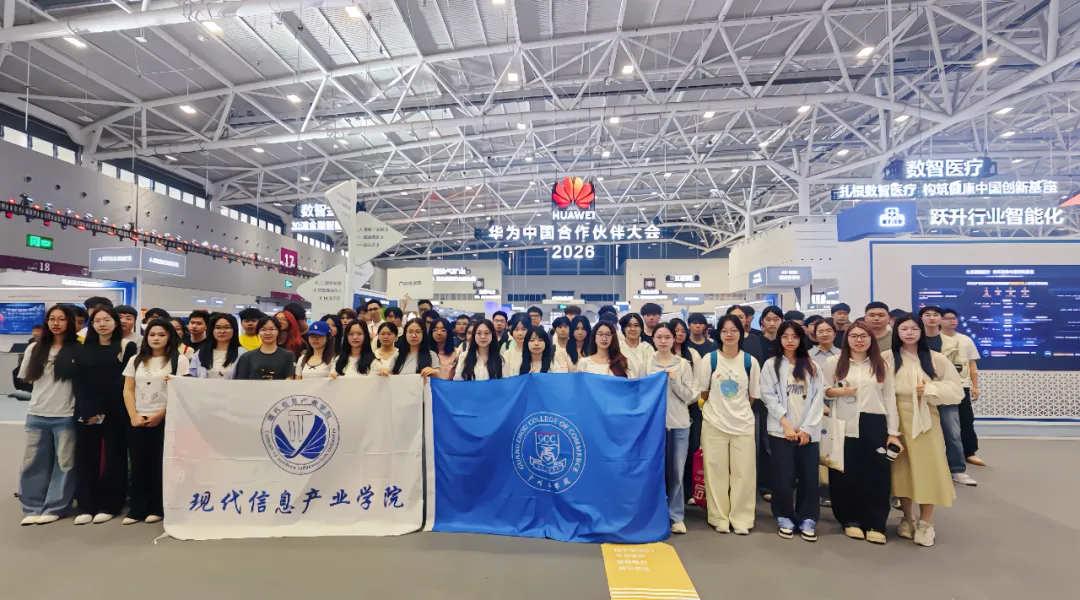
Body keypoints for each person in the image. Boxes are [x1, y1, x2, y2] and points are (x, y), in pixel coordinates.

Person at [885, 315, 964, 547]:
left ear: (921, 331)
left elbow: (956, 390)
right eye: (904, 329)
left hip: (926, 421)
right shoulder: (887, 358)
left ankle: (926, 522)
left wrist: (931, 388)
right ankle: (907, 517)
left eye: (914, 329)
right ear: (897, 332)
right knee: (901, 471)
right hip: (896, 421)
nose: (909, 333)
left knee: (927, 469)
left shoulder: (935, 359)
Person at [821, 321, 901, 545]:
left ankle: (875, 522)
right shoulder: (834, 362)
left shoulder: (881, 364)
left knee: (876, 474)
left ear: (871, 339)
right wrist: (840, 391)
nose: (859, 340)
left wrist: (893, 432)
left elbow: (889, 398)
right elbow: (822, 391)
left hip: (874, 421)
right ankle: (849, 520)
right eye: (854, 336)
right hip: (843, 422)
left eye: (863, 336)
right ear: (846, 339)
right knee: (844, 474)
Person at [759, 321, 825, 542]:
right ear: (779, 339)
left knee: (809, 477)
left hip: (808, 433)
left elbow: (818, 399)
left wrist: (806, 429)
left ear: (801, 339)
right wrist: (786, 425)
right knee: (783, 476)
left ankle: (808, 518)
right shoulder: (771, 365)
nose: (790, 340)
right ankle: (784, 516)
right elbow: (768, 396)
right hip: (781, 431)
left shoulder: (812, 366)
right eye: (785, 336)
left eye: (794, 337)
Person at [72, 307, 137, 526]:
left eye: (107, 320)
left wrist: (103, 409)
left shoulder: (126, 346)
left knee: (114, 458)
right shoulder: (82, 349)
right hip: (86, 410)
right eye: (97, 320)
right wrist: (87, 410)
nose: (102, 324)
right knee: (85, 458)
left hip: (115, 410)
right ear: (91, 324)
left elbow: (123, 382)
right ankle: (86, 506)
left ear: (115, 323)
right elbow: (79, 382)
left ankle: (110, 505)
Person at [17, 305, 79, 525]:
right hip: (36, 413)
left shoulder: (78, 349)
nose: (56, 323)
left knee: (64, 464)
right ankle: (32, 507)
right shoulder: (35, 348)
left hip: (66, 414)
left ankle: (56, 507)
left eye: (61, 319)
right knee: (33, 463)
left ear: (69, 322)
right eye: (52, 319)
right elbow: (27, 378)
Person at [122, 319, 188, 525]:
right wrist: (133, 415)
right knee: (138, 464)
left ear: (170, 337)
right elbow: (128, 389)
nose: (156, 338)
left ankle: (157, 507)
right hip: (138, 418)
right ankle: (137, 508)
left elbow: (180, 391)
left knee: (160, 464)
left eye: (161, 335)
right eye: (152, 334)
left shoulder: (179, 360)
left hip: (166, 420)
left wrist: (161, 414)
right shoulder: (135, 360)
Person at [700, 315, 760, 535]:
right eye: (725, 330)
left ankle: (741, 518)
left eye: (734, 330)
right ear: (719, 333)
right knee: (715, 471)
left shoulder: (750, 362)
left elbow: (752, 396)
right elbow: (703, 392)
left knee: (744, 473)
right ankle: (719, 517)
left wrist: (736, 411)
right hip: (714, 422)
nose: (729, 334)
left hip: (743, 425)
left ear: (741, 333)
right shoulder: (710, 359)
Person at [646, 323, 696, 534]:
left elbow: (691, 396)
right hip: (652, 427)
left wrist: (675, 381)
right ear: (653, 339)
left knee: (676, 472)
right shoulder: (646, 363)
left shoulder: (683, 364)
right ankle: (652, 514)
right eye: (659, 337)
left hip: (678, 424)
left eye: (667, 337)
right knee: (652, 471)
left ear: (674, 339)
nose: (663, 341)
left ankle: (676, 516)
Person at [918, 306, 971, 486]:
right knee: (922, 431)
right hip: (922, 391)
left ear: (941, 319)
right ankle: (926, 469)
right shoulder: (915, 340)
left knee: (952, 432)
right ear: (921, 319)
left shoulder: (951, 343)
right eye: (927, 315)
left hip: (945, 391)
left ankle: (957, 470)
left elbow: (960, 368)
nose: (932, 318)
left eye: (936, 315)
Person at [940, 308, 984, 467]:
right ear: (940, 320)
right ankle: (942, 454)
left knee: (966, 419)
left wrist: (975, 386)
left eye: (954, 318)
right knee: (942, 421)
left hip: (962, 385)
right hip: (941, 385)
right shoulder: (935, 339)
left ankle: (970, 452)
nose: (951, 321)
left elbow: (972, 365)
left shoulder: (966, 340)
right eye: (947, 318)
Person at [190, 314, 245, 379]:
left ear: (234, 329)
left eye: (227, 327)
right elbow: (191, 377)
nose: (222, 331)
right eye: (218, 328)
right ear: (212, 330)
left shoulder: (243, 354)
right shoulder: (200, 352)